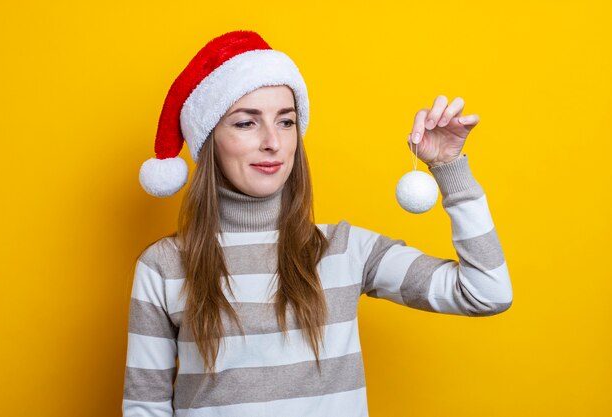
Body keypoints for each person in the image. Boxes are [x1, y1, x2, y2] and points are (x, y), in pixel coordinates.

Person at [123, 30, 513, 417]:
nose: (273, 142)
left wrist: (450, 169)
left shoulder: (346, 251)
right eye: (246, 123)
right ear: (209, 139)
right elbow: (145, 408)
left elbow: (485, 292)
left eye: (286, 121)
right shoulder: (164, 266)